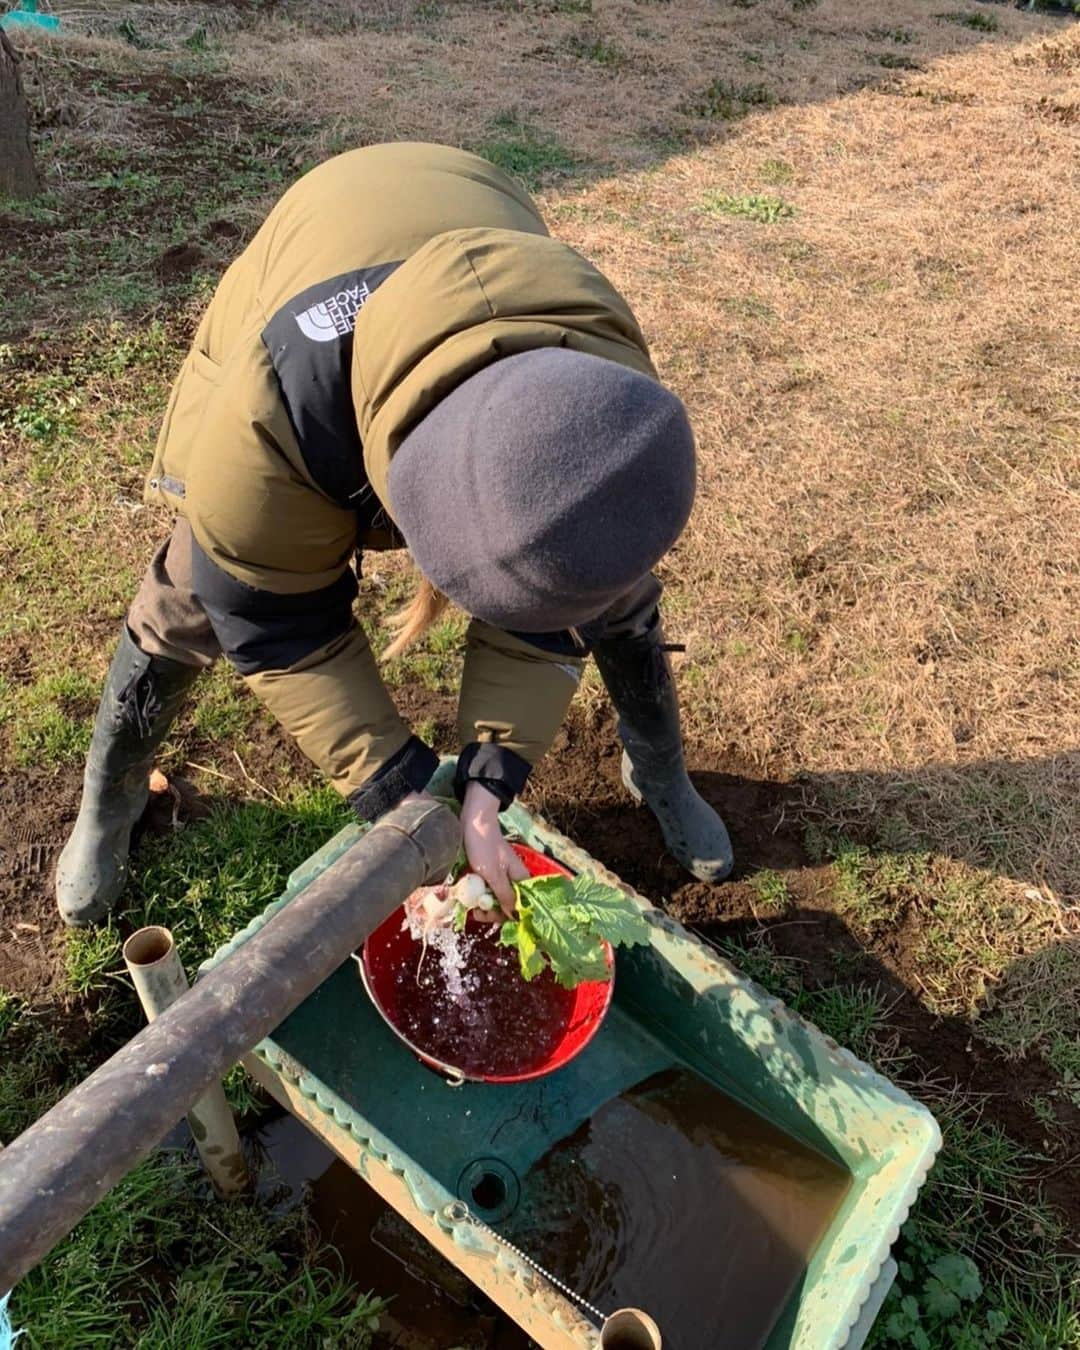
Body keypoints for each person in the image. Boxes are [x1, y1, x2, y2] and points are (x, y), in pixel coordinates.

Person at [55, 142, 733, 928]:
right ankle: (113, 796)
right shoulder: (270, 420)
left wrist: (489, 777)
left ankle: (658, 772)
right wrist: (397, 785)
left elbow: (553, 597)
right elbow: (276, 623)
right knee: (192, 590)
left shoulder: (605, 393)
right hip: (310, 269)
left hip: (469, 205)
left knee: (599, 585)